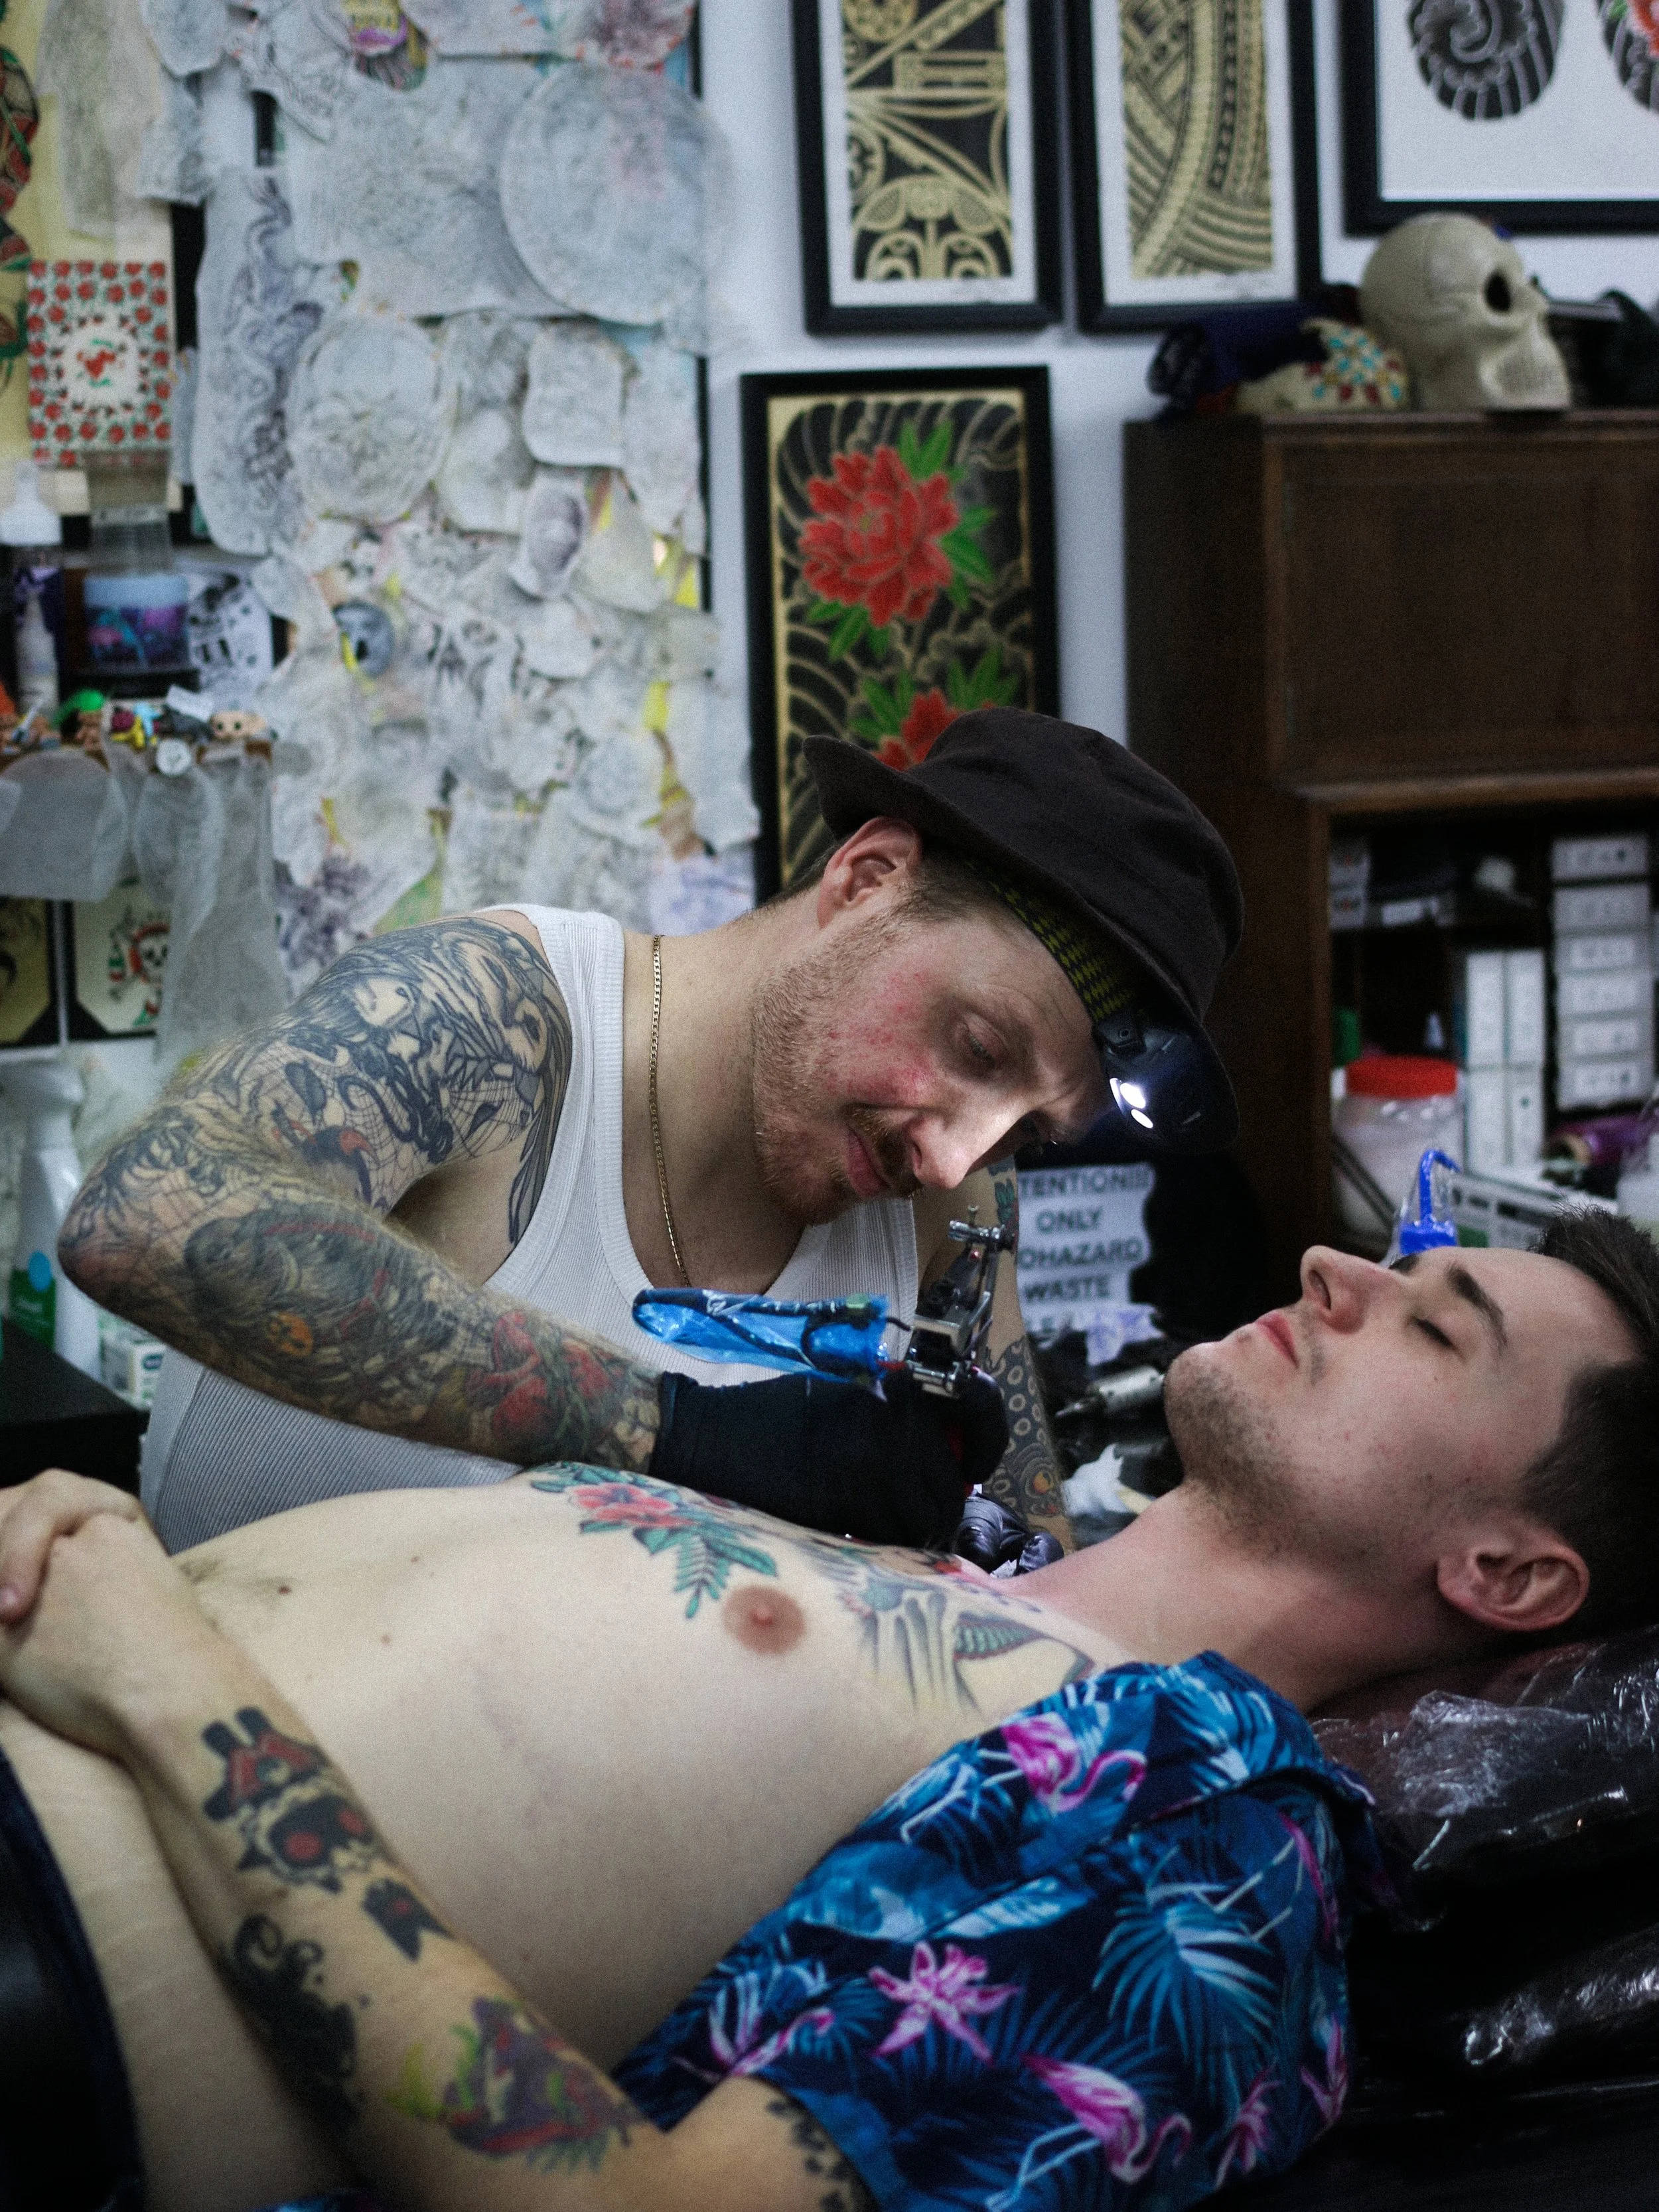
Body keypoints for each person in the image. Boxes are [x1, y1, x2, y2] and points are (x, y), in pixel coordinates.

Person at [2, 1213, 1656, 2212]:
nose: (1331, 1264)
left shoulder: (1207, 1852)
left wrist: (164, 1675)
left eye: (1438, 1323)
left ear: (1505, 1570)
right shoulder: (956, 1573)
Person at [56, 708, 1244, 1557]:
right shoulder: (506, 1017)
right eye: (977, 1049)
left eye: (1026, 1134)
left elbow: (1023, 1571)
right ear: (870, 878)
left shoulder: (949, 1212)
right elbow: (150, 1217)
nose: (951, 1157)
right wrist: (676, 1430)